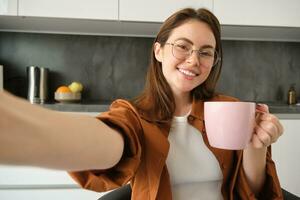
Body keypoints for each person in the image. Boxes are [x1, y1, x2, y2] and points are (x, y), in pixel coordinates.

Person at [0, 8, 284, 200]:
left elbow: (254, 192)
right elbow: (112, 139)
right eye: (182, 46)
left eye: (206, 52)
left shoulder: (229, 109)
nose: (194, 60)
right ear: (159, 51)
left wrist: (255, 145)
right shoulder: (134, 116)